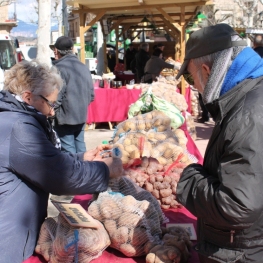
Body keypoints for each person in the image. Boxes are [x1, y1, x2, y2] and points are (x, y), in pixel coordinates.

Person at [0, 60, 123, 263]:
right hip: (8, 239)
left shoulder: (14, 118)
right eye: (50, 103)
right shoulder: (19, 127)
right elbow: (58, 176)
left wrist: (81, 158)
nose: (52, 112)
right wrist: (104, 170)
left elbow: (43, 161)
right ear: (28, 97)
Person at [176, 23, 263, 262]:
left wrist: (186, 180)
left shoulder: (248, 115)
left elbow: (238, 205)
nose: (194, 86)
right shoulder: (249, 95)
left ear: (206, 70)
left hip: (244, 251)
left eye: (191, 77)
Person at [50, 36, 94, 154]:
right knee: (81, 150)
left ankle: (77, 172)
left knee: (69, 152)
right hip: (80, 115)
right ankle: (86, 171)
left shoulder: (59, 68)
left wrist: (51, 110)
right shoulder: (83, 67)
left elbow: (56, 96)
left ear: (57, 51)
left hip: (65, 117)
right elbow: (91, 95)